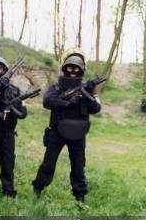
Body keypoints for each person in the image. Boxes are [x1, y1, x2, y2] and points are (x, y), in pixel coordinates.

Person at [32, 53, 101, 202]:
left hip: (78, 132)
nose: (73, 71)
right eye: (70, 67)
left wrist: (88, 93)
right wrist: (69, 102)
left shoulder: (88, 88)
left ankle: (80, 196)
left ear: (82, 70)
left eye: (76, 68)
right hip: (57, 130)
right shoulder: (57, 87)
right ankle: (38, 188)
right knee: (49, 163)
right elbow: (47, 101)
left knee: (78, 165)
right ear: (64, 68)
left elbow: (96, 109)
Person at [0, 57, 27, 198]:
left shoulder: (15, 91)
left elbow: (23, 113)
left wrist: (13, 108)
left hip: (8, 133)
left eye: (0, 69)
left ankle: (8, 191)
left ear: (6, 71)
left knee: (8, 163)